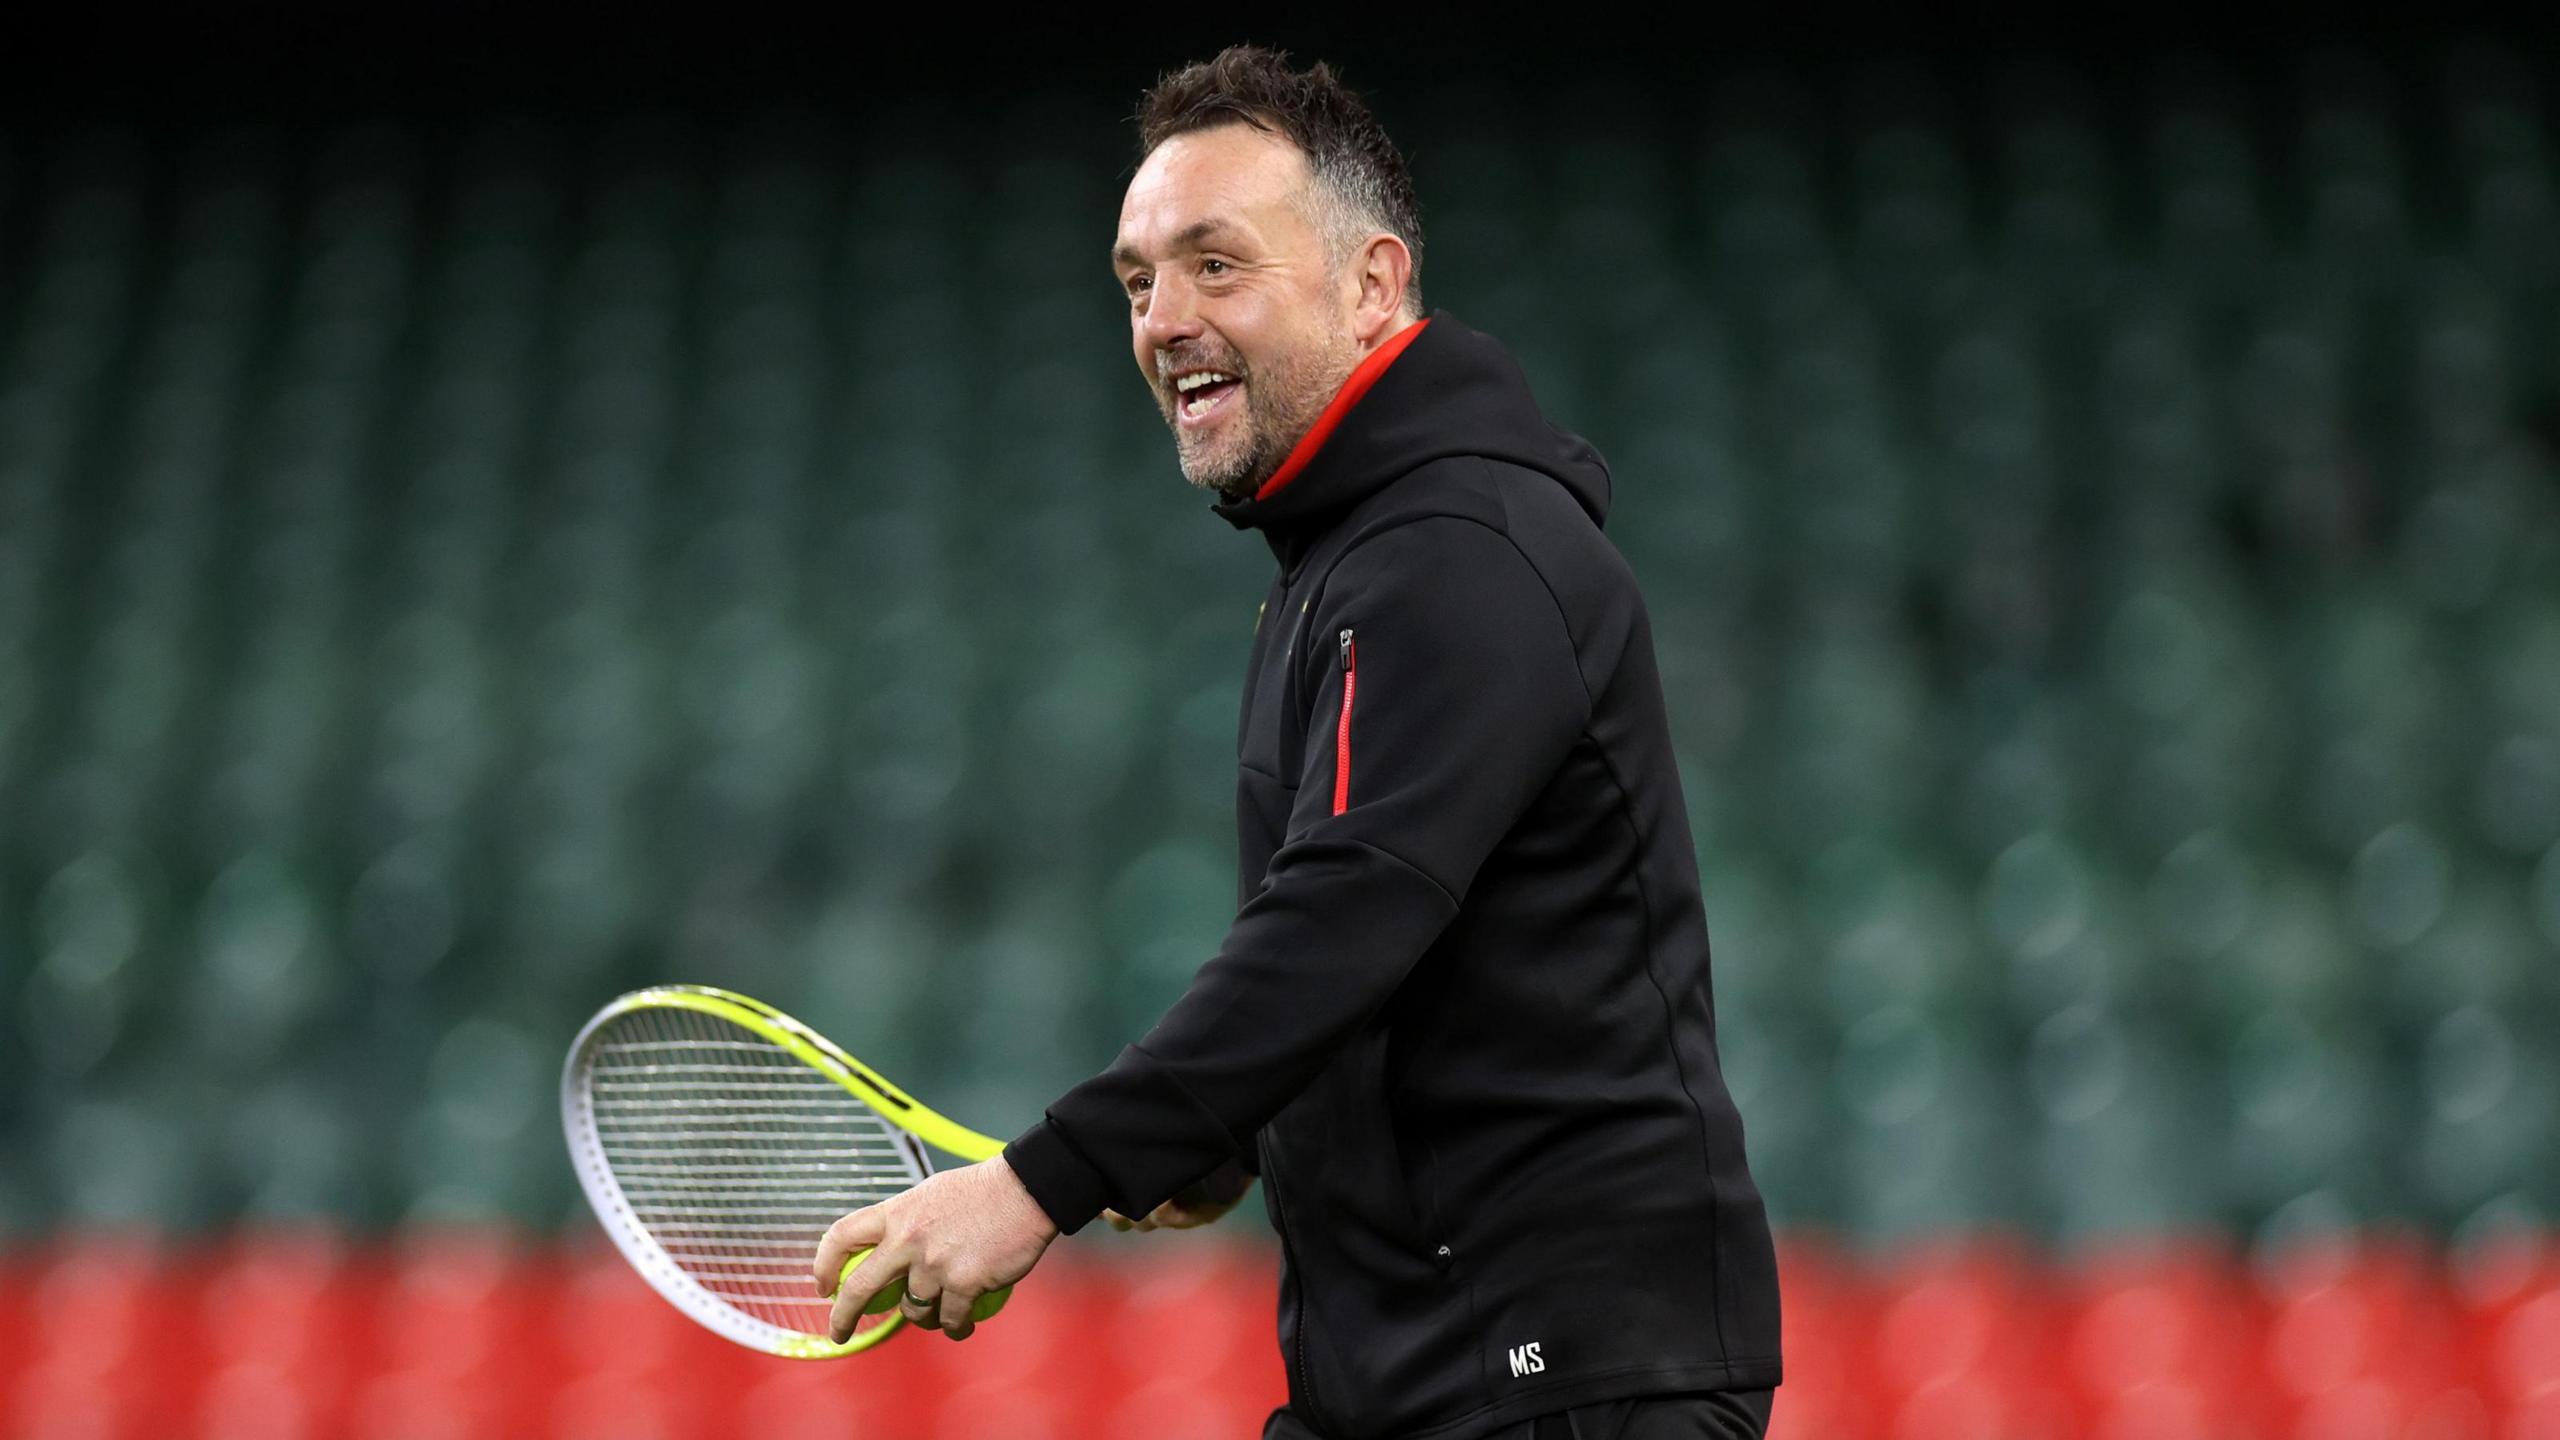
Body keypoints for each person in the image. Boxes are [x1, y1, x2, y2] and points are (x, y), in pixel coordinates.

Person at [813, 46, 1783, 1440]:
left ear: (1374, 283)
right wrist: (1228, 1138)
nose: (1166, 317)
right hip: (1422, 1379)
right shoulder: (1354, 556)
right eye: (1140, 279)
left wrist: (1041, 1182)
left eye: (1219, 263)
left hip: (1558, 1384)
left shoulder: (1458, 553)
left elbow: (1347, 912)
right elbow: (1410, 958)